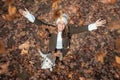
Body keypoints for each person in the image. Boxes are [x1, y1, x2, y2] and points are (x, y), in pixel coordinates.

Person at [19, 8, 106, 63]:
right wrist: (28, 15)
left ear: (66, 25)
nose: (61, 26)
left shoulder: (69, 30)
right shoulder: (52, 29)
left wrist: (95, 25)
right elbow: (40, 23)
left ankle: (55, 61)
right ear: (56, 24)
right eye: (59, 23)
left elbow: (82, 29)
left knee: (58, 57)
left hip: (63, 49)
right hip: (52, 47)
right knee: (50, 55)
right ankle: (49, 59)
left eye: (63, 24)